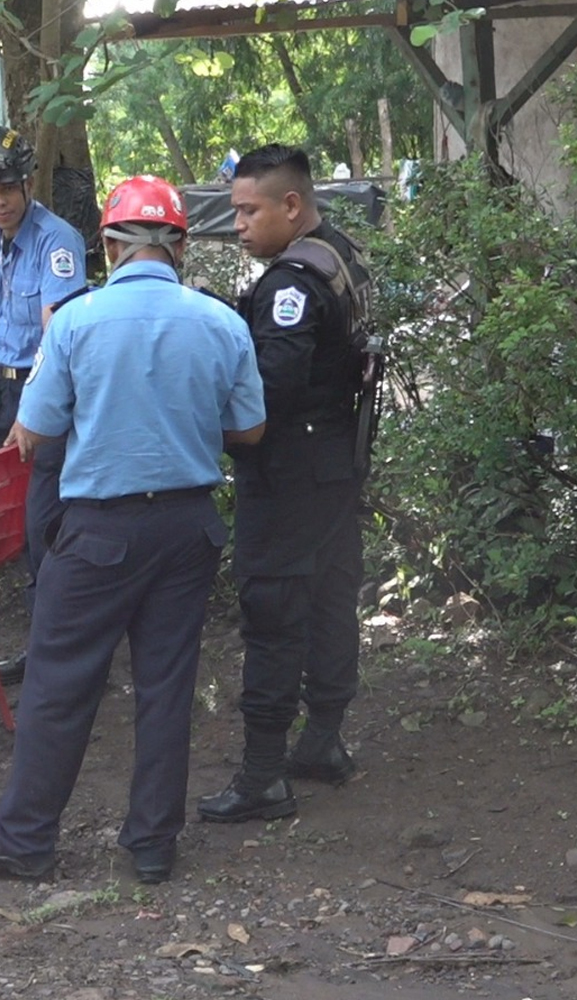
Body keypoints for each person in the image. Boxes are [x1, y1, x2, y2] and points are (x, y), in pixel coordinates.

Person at [0, 176, 266, 883]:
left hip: (100, 529)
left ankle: (26, 838)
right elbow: (249, 427)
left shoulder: (76, 321)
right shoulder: (223, 324)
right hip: (190, 527)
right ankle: (153, 844)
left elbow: (33, 431)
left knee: (61, 683)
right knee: (166, 685)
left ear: (109, 244)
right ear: (182, 245)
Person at [198, 144, 372, 823]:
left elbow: (268, 395)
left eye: (248, 211)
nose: (237, 224)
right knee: (331, 598)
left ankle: (264, 776)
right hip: (333, 465)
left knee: (273, 613)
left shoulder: (291, 286)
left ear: (290, 205)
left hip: (290, 472)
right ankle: (323, 741)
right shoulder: (338, 253)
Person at [0, 125, 86, 684]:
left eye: (8, 188)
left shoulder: (57, 240)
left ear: (28, 182)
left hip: (43, 393)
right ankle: (43, 645)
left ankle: (62, 656)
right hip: (0, 387)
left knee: (46, 525)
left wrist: (32, 413)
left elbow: (56, 337)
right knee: (10, 525)